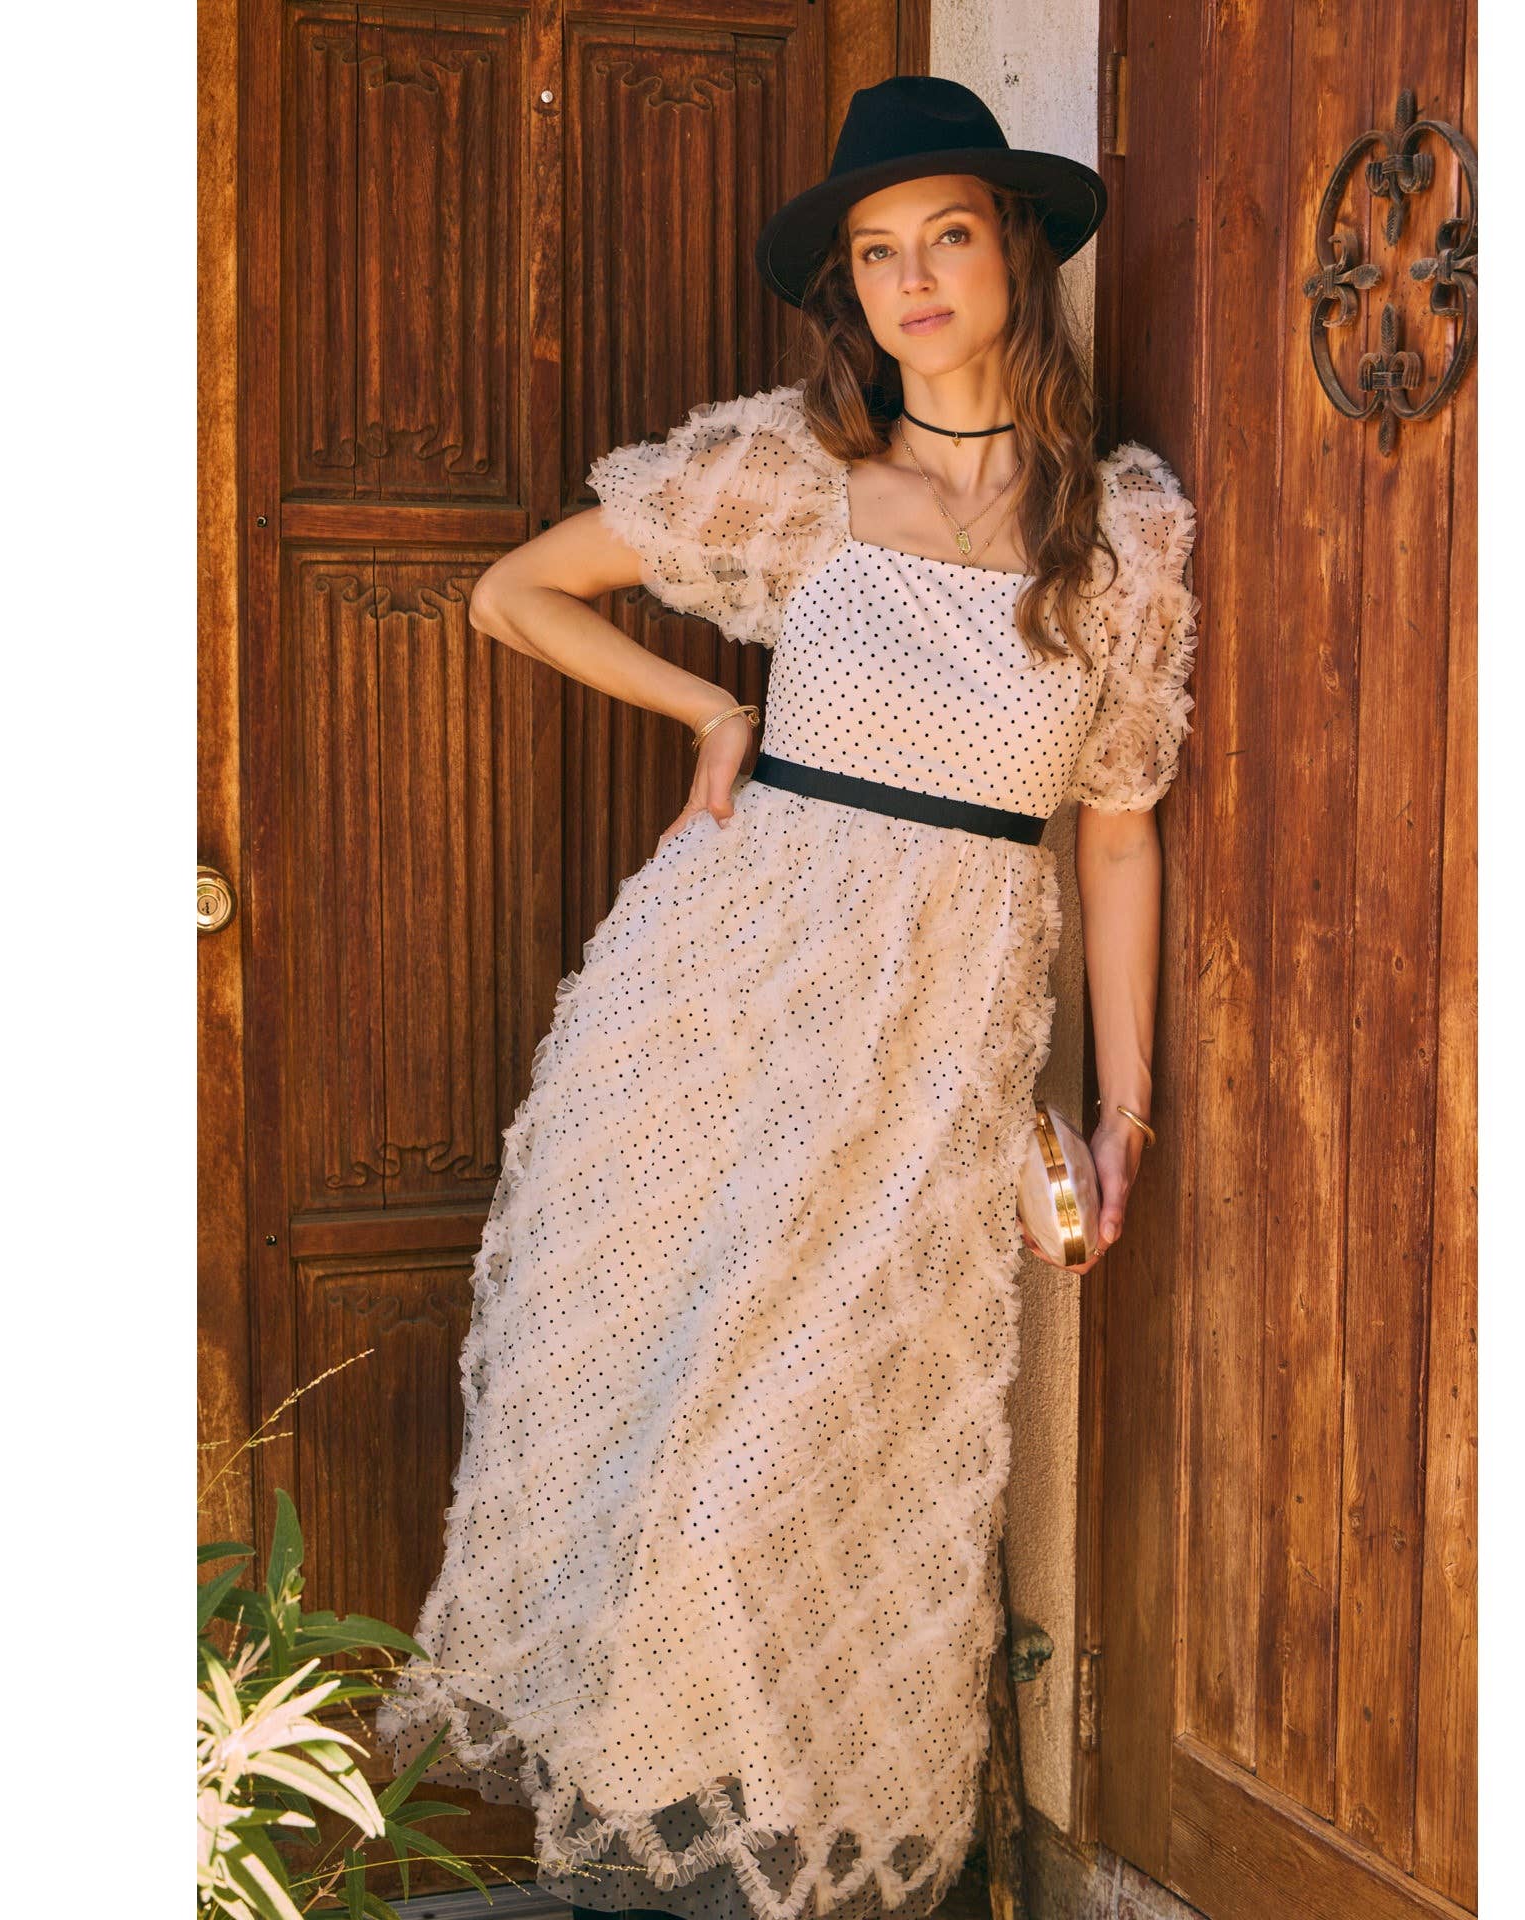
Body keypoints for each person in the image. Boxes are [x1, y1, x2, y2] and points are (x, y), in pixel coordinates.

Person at [373, 73, 1199, 1920]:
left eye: (947, 238)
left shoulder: (1122, 530)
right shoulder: (801, 476)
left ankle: (798, 1868)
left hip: (941, 1051)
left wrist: (1120, 1106)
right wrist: (710, 708)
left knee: (829, 1462)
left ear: (1020, 253)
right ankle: (676, 1877)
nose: (912, 281)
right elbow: (520, 593)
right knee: (669, 1443)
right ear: (853, 291)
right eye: (876, 254)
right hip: (730, 1004)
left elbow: (1120, 840)